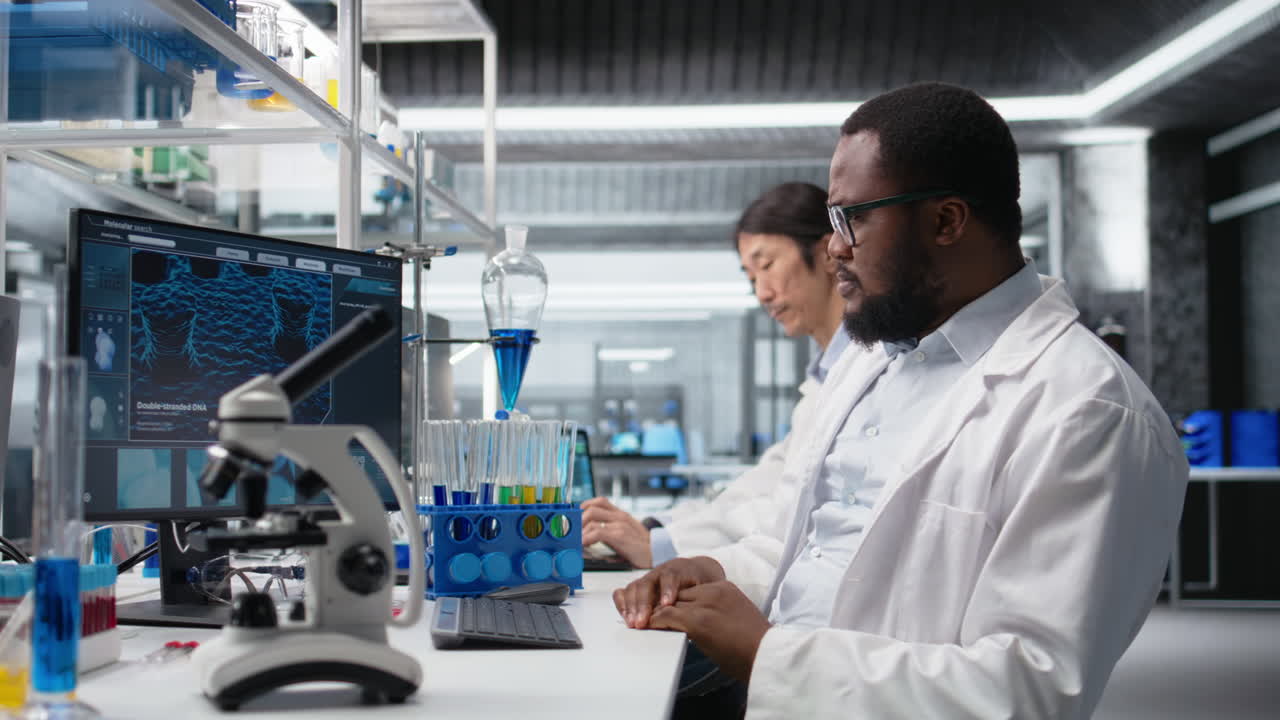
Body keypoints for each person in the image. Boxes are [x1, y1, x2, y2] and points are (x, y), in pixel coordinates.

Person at [613, 82, 1189, 719]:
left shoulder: (1088, 411)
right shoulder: (873, 361)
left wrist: (767, 656)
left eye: (853, 218)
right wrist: (713, 572)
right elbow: (808, 548)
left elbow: (1029, 690)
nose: (834, 247)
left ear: (946, 221)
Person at [580, 182, 853, 569]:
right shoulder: (822, 379)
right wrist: (654, 530)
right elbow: (754, 490)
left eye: (767, 265)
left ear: (828, 252)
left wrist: (661, 545)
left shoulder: (868, 369)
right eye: (751, 277)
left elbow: (787, 514)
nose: (762, 293)